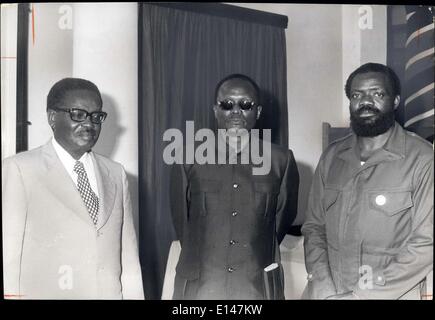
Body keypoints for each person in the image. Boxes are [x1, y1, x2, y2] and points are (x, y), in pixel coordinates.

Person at [2, 78, 144, 299]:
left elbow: (129, 260)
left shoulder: (116, 173)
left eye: (96, 117)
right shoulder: (20, 170)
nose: (89, 124)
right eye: (78, 114)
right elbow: (8, 259)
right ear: (52, 117)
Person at [302, 63, 433, 299]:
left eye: (377, 93)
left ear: (395, 101)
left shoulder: (423, 159)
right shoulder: (332, 156)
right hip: (327, 293)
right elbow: (314, 228)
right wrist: (322, 285)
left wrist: (360, 296)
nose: (365, 101)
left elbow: (426, 244)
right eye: (356, 95)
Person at [169, 74, 299, 299]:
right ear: (215, 111)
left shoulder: (280, 160)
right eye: (227, 105)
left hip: (256, 286)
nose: (236, 112)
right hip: (201, 286)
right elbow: (183, 223)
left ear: (257, 112)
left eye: (245, 105)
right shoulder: (187, 157)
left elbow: (280, 222)